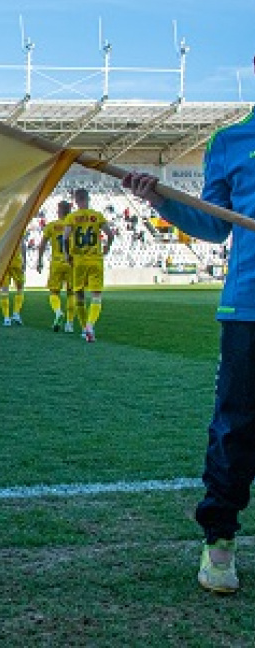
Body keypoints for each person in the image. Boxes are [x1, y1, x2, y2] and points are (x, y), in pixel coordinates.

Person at [125, 117, 255, 593]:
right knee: (236, 425)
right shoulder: (231, 142)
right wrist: (159, 198)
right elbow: (214, 226)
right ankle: (219, 541)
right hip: (249, 308)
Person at [62, 188, 114, 342]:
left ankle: (84, 328)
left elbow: (65, 238)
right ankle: (90, 325)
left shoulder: (72, 217)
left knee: (79, 295)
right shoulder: (97, 216)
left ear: (76, 200)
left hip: (78, 261)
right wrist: (107, 247)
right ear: (88, 199)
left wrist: (67, 254)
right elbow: (110, 235)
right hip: (96, 260)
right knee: (97, 296)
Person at [37, 201, 76, 333]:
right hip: (71, 262)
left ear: (59, 211)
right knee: (72, 293)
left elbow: (42, 245)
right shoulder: (74, 226)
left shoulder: (51, 226)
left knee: (54, 292)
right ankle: (70, 324)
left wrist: (39, 260)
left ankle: (58, 312)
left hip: (56, 263)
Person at [0, 237, 26, 326]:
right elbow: (23, 245)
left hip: (4, 263)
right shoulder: (18, 226)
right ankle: (16, 313)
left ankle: (6, 318)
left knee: (4, 290)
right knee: (20, 288)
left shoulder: (2, 229)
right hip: (17, 262)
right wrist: (24, 262)